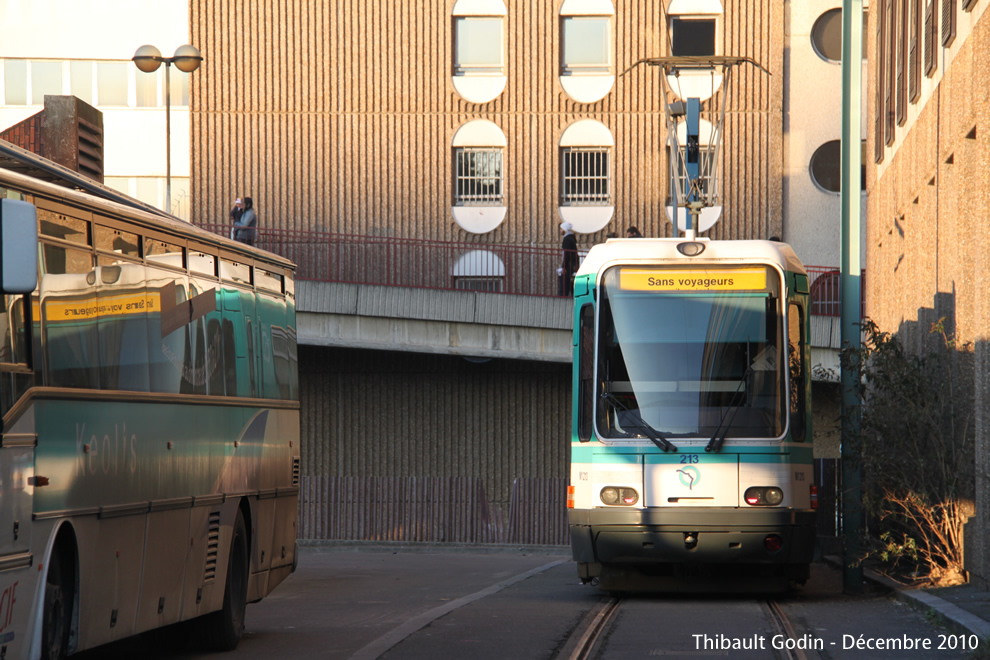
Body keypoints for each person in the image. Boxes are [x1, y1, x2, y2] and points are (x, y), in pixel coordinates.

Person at [559, 221, 579, 297]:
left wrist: (563, 266)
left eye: (561, 229)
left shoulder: (567, 239)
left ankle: (563, 298)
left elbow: (566, 254)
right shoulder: (571, 238)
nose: (560, 230)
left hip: (568, 265)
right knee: (570, 283)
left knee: (564, 284)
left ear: (564, 229)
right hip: (572, 264)